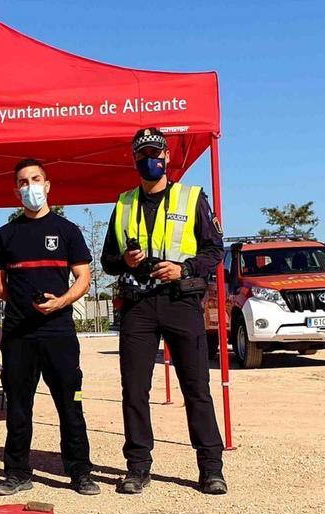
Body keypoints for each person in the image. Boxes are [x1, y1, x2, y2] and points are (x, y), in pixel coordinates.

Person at [101, 127, 227, 495]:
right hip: (138, 305)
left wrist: (183, 268)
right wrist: (125, 259)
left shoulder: (192, 197)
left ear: (168, 157)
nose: (149, 160)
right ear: (134, 160)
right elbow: (108, 260)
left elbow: (214, 249)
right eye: (142, 155)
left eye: (155, 153)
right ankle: (138, 467)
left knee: (196, 387)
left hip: (181, 300)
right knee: (134, 389)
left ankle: (210, 467)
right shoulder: (123, 203)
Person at [0, 158, 98, 496]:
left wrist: (61, 301)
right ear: (16, 190)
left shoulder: (68, 230)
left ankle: (80, 472)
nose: (30, 186)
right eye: (23, 182)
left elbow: (84, 277)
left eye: (35, 179)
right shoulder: (6, 234)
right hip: (19, 334)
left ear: (47, 185)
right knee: (19, 407)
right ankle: (18, 473)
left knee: (70, 404)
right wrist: (23, 302)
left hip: (60, 333)